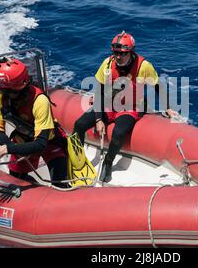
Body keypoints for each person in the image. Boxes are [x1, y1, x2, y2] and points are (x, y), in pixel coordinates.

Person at [73, 31, 177, 183]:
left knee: (119, 133)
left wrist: (167, 107)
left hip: (131, 107)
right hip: (109, 104)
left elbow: (157, 86)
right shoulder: (107, 63)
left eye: (123, 53)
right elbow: (99, 90)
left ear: (131, 52)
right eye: (116, 53)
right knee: (79, 124)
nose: (119, 57)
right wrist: (98, 119)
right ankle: (78, 159)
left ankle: (108, 162)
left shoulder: (144, 66)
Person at [0, 57, 68, 188]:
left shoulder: (40, 101)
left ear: (10, 90)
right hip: (22, 140)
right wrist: (9, 147)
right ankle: (34, 186)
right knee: (15, 180)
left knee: (60, 183)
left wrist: (5, 149)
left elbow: (41, 144)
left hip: (50, 141)